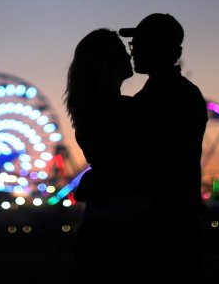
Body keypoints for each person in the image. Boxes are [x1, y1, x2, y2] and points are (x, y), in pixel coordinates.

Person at [119, 13, 208, 275]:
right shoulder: (178, 93)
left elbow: (157, 162)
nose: (134, 51)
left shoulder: (162, 97)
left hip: (162, 224)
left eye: (141, 44)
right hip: (174, 220)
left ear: (164, 49)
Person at [64, 28, 147, 280]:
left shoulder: (89, 113)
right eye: (122, 52)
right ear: (107, 62)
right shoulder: (126, 111)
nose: (129, 57)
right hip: (122, 228)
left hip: (97, 223)